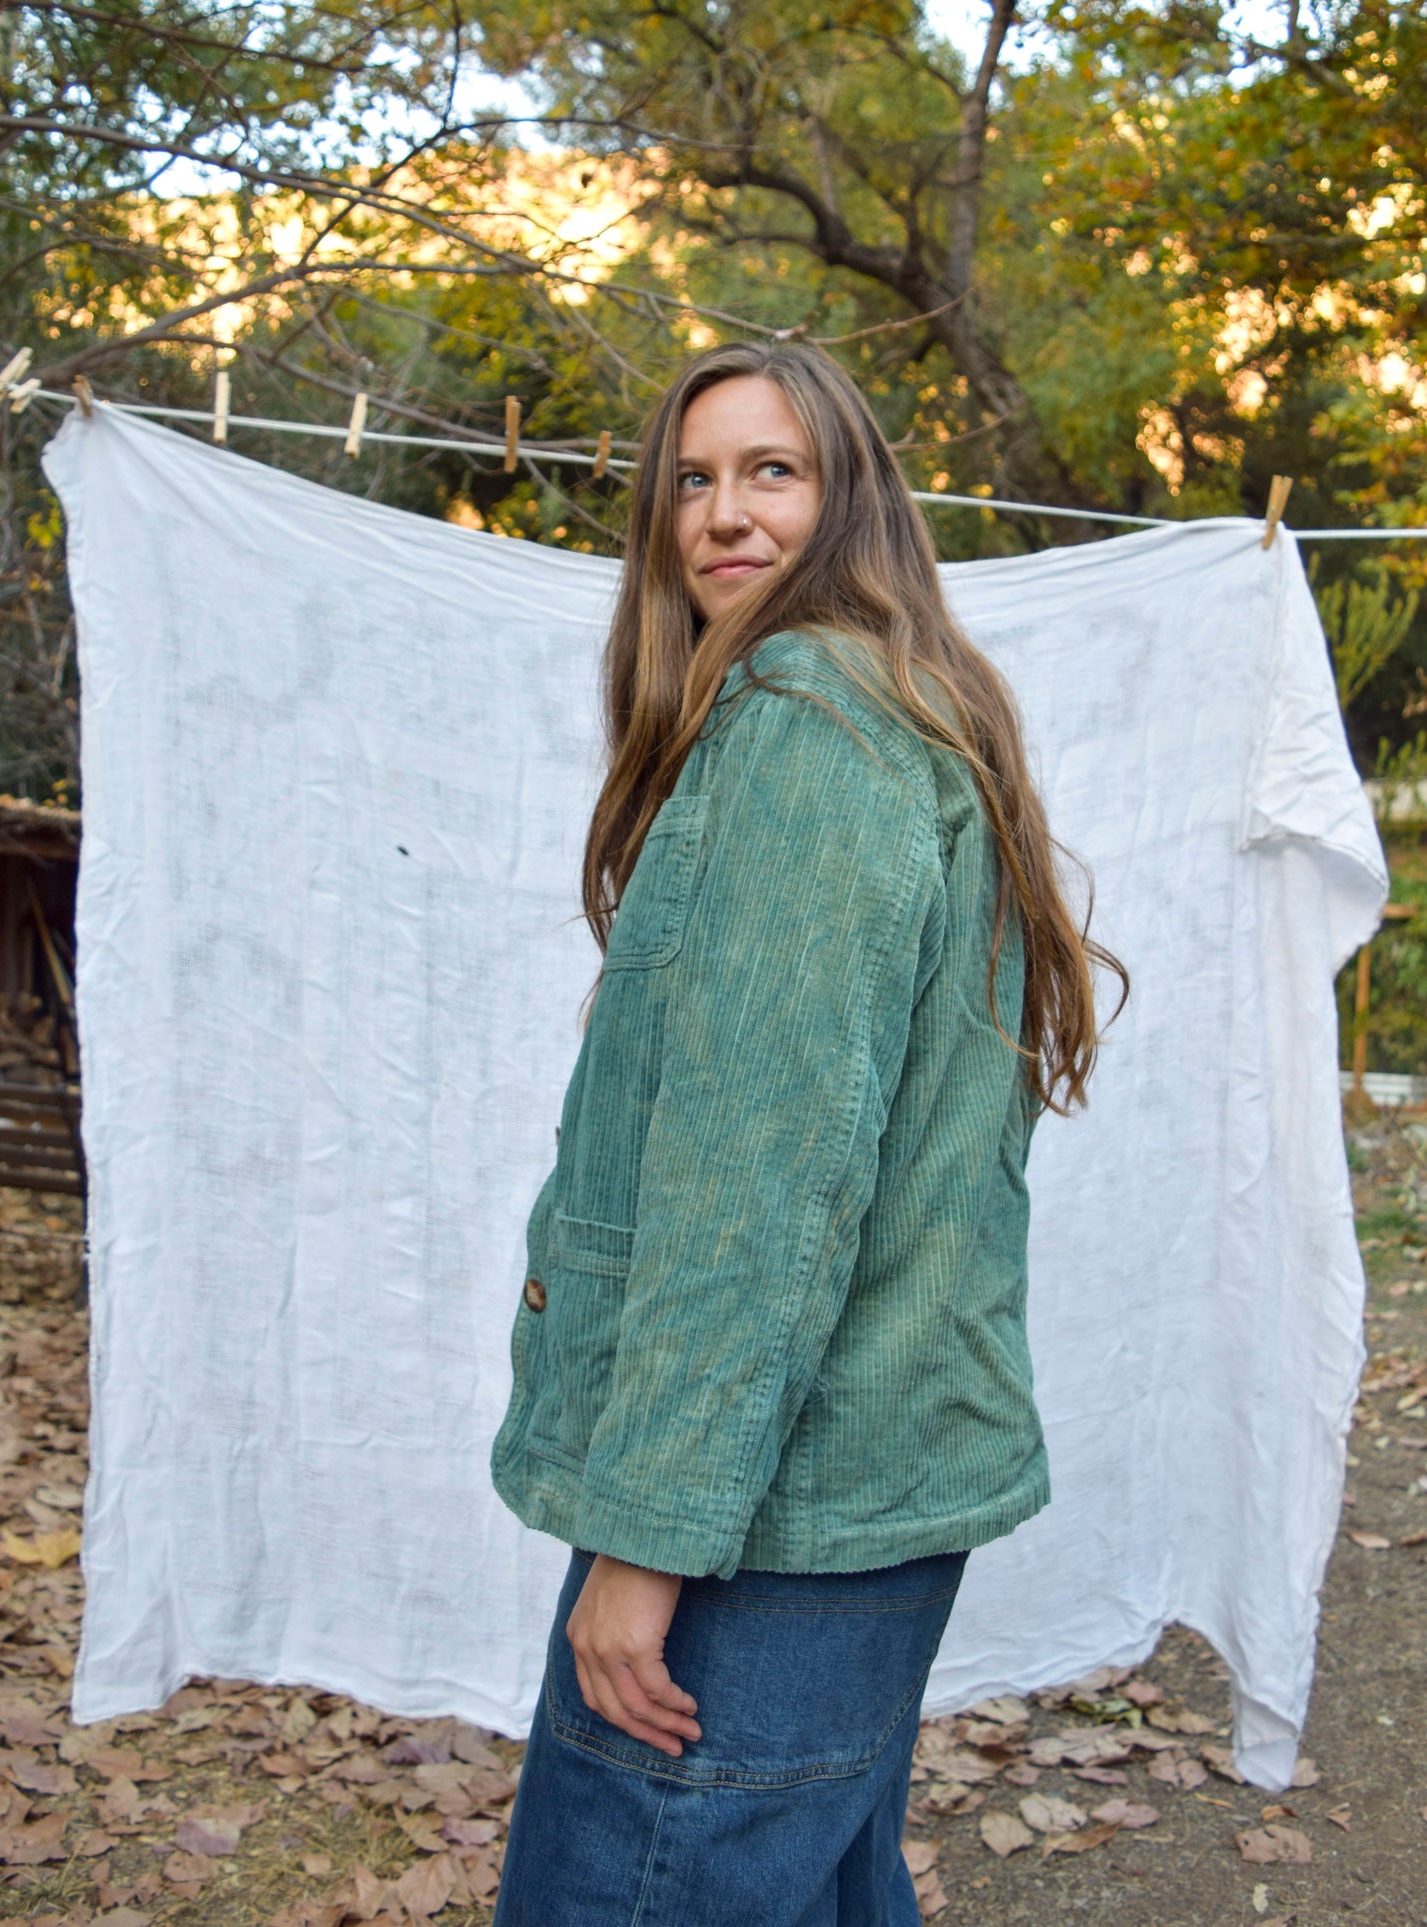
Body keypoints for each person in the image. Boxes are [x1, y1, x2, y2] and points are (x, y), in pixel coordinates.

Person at [490, 340, 1125, 1924]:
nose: (720, 513)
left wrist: (642, 1549)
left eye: (769, 471)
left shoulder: (805, 734)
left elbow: (760, 1197)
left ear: (849, 498)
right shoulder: (898, 713)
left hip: (759, 1526)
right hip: (836, 1496)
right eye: (690, 481)